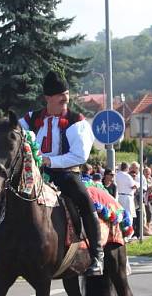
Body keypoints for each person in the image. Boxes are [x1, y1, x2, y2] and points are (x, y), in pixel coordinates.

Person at [18, 70, 103, 276]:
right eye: (59, 95)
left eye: (66, 94)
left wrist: (50, 160)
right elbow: (15, 135)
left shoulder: (76, 121)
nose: (65, 98)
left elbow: (80, 155)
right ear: (47, 98)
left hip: (65, 173)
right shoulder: (30, 119)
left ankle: (96, 255)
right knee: (8, 198)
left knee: (83, 199)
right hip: (35, 175)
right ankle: (3, 255)